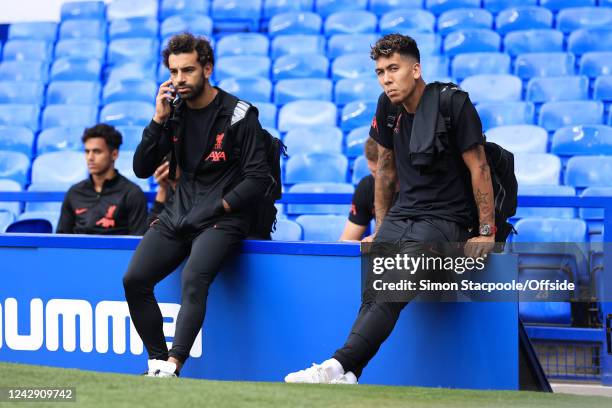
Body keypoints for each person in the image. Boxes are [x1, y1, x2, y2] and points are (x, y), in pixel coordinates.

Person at [285, 33, 496, 384]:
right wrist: (382, 231)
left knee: (391, 287)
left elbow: (480, 167)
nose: (386, 78)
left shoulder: (453, 103)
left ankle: (335, 366)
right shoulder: (386, 106)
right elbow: (384, 170)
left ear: (416, 69)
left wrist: (487, 232)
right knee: (373, 293)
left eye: (393, 69)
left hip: (445, 221)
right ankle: (351, 373)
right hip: (403, 215)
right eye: (380, 71)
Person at [123, 33, 271, 378]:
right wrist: (157, 119)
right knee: (134, 279)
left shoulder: (238, 114)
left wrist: (219, 206)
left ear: (207, 68)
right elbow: (141, 168)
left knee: (193, 279)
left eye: (187, 70)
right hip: (180, 211)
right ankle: (157, 362)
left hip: (224, 215)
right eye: (173, 72)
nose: (179, 80)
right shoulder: (173, 112)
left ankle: (174, 365)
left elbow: (258, 178)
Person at [57, 124, 147, 235]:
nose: (90, 158)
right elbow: (61, 238)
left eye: (97, 151)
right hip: (78, 252)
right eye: (87, 151)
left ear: (114, 154)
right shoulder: (74, 192)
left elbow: (137, 241)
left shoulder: (132, 193)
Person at [339, 137, 398, 241]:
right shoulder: (367, 186)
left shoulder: (419, 188)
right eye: (373, 171)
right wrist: (366, 247)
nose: (377, 178)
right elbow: (345, 243)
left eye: (381, 173)